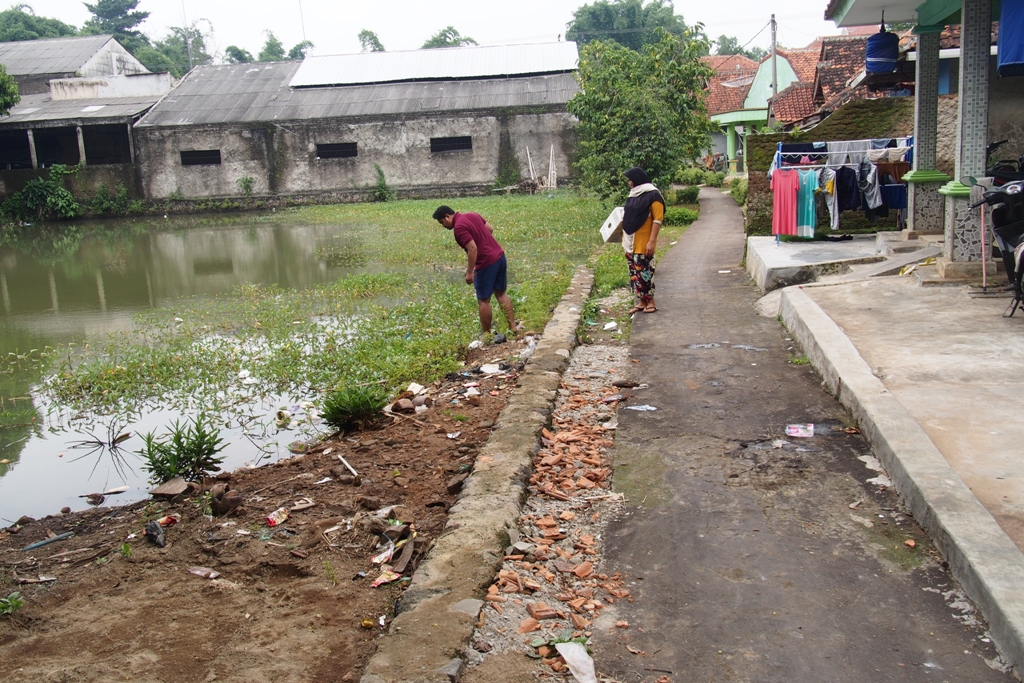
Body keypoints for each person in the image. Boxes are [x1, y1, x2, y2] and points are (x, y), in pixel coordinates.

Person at [432, 205, 517, 338]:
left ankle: (487, 335)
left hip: (486, 263)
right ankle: (513, 327)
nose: (443, 226)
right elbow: (490, 229)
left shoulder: (459, 228)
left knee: (484, 300)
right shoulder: (472, 215)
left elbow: (472, 249)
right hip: (499, 256)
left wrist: (470, 271)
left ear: (447, 216)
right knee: (501, 294)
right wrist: (484, 243)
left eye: (442, 222)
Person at [622, 167, 665, 314]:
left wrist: (651, 241)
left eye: (630, 180)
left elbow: (657, 219)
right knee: (634, 274)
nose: (629, 183)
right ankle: (641, 301)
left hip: (644, 242)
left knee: (645, 273)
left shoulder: (653, 195)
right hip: (631, 242)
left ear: (637, 180)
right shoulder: (633, 195)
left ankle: (651, 301)